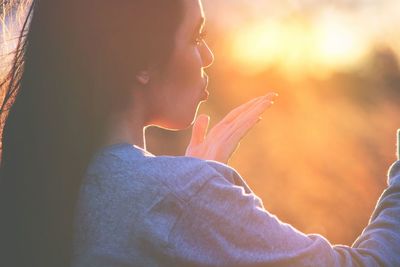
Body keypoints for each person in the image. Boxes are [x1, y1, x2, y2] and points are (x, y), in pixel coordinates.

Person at [0, 0, 399, 266]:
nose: (208, 56)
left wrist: (188, 185)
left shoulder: (39, 182)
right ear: (140, 61)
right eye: (196, 37)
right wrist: (189, 190)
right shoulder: (175, 197)